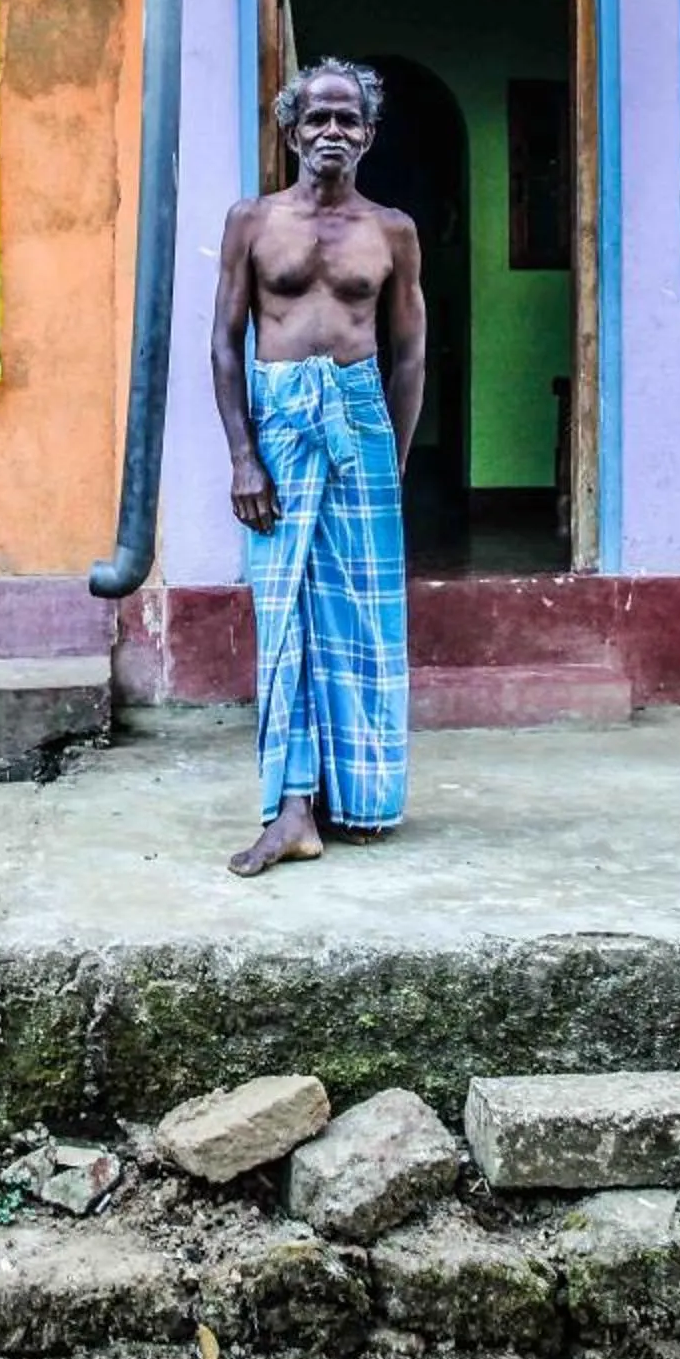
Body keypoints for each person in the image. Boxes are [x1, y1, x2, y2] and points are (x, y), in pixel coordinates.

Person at [209, 59, 428, 878]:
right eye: (317, 118)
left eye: (347, 120)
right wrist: (242, 456)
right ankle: (290, 808)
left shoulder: (392, 231)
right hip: (279, 428)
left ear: (367, 135)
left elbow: (409, 353)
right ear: (291, 129)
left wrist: (394, 459)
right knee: (284, 616)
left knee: (362, 618)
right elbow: (224, 340)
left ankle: (360, 795)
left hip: (361, 425)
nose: (331, 131)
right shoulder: (252, 222)